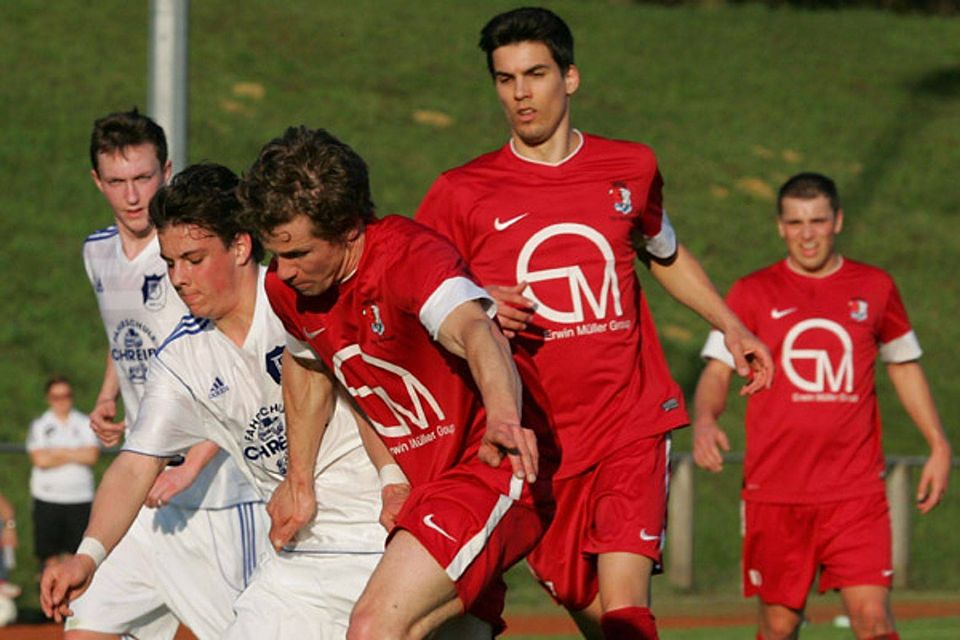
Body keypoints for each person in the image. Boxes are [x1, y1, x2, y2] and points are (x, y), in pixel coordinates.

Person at [414, 7, 773, 639]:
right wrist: (477, 297)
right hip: (540, 442)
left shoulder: (630, 168)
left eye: (536, 74)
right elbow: (418, 297)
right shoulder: (461, 192)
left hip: (630, 421)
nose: (521, 93)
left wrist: (732, 325)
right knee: (597, 614)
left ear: (570, 77)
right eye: (505, 79)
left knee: (629, 610)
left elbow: (663, 251)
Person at [42, 163, 397, 639]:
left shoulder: (306, 301)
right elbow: (134, 466)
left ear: (240, 246)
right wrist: (89, 554)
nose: (179, 278)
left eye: (193, 258)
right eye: (169, 263)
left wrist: (395, 483)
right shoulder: (183, 358)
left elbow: (384, 397)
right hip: (297, 556)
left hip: (382, 536)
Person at [239, 125, 559, 639]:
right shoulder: (287, 291)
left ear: (348, 228)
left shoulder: (411, 258)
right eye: (275, 253)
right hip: (428, 487)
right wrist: (302, 481)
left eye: (298, 253)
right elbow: (314, 369)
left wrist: (502, 416)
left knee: (372, 627)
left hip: (492, 465)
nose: (283, 271)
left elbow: (477, 329)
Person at [692, 172, 952, 640]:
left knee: (873, 621)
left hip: (855, 492)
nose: (806, 234)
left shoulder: (875, 287)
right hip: (775, 491)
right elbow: (716, 371)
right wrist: (706, 421)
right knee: (778, 625)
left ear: (837, 222)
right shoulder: (751, 293)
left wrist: (937, 444)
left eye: (817, 221)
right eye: (795, 222)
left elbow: (904, 366)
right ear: (780, 227)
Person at [72, 109, 267, 639]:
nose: (132, 195)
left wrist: (191, 466)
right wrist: (107, 396)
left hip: (218, 490)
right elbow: (125, 334)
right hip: (143, 486)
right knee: (87, 625)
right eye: (117, 181)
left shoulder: (195, 258)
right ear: (97, 181)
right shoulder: (97, 252)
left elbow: (230, 372)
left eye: (143, 178)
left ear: (167, 171)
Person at [26, 377, 99, 568]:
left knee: (74, 556)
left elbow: (91, 456)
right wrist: (75, 453)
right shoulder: (40, 425)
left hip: (79, 497)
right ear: (49, 399)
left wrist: (58, 452)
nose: (62, 401)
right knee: (49, 557)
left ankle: (70, 598)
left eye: (66, 396)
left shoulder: (84, 422)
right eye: (56, 397)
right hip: (48, 497)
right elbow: (40, 460)